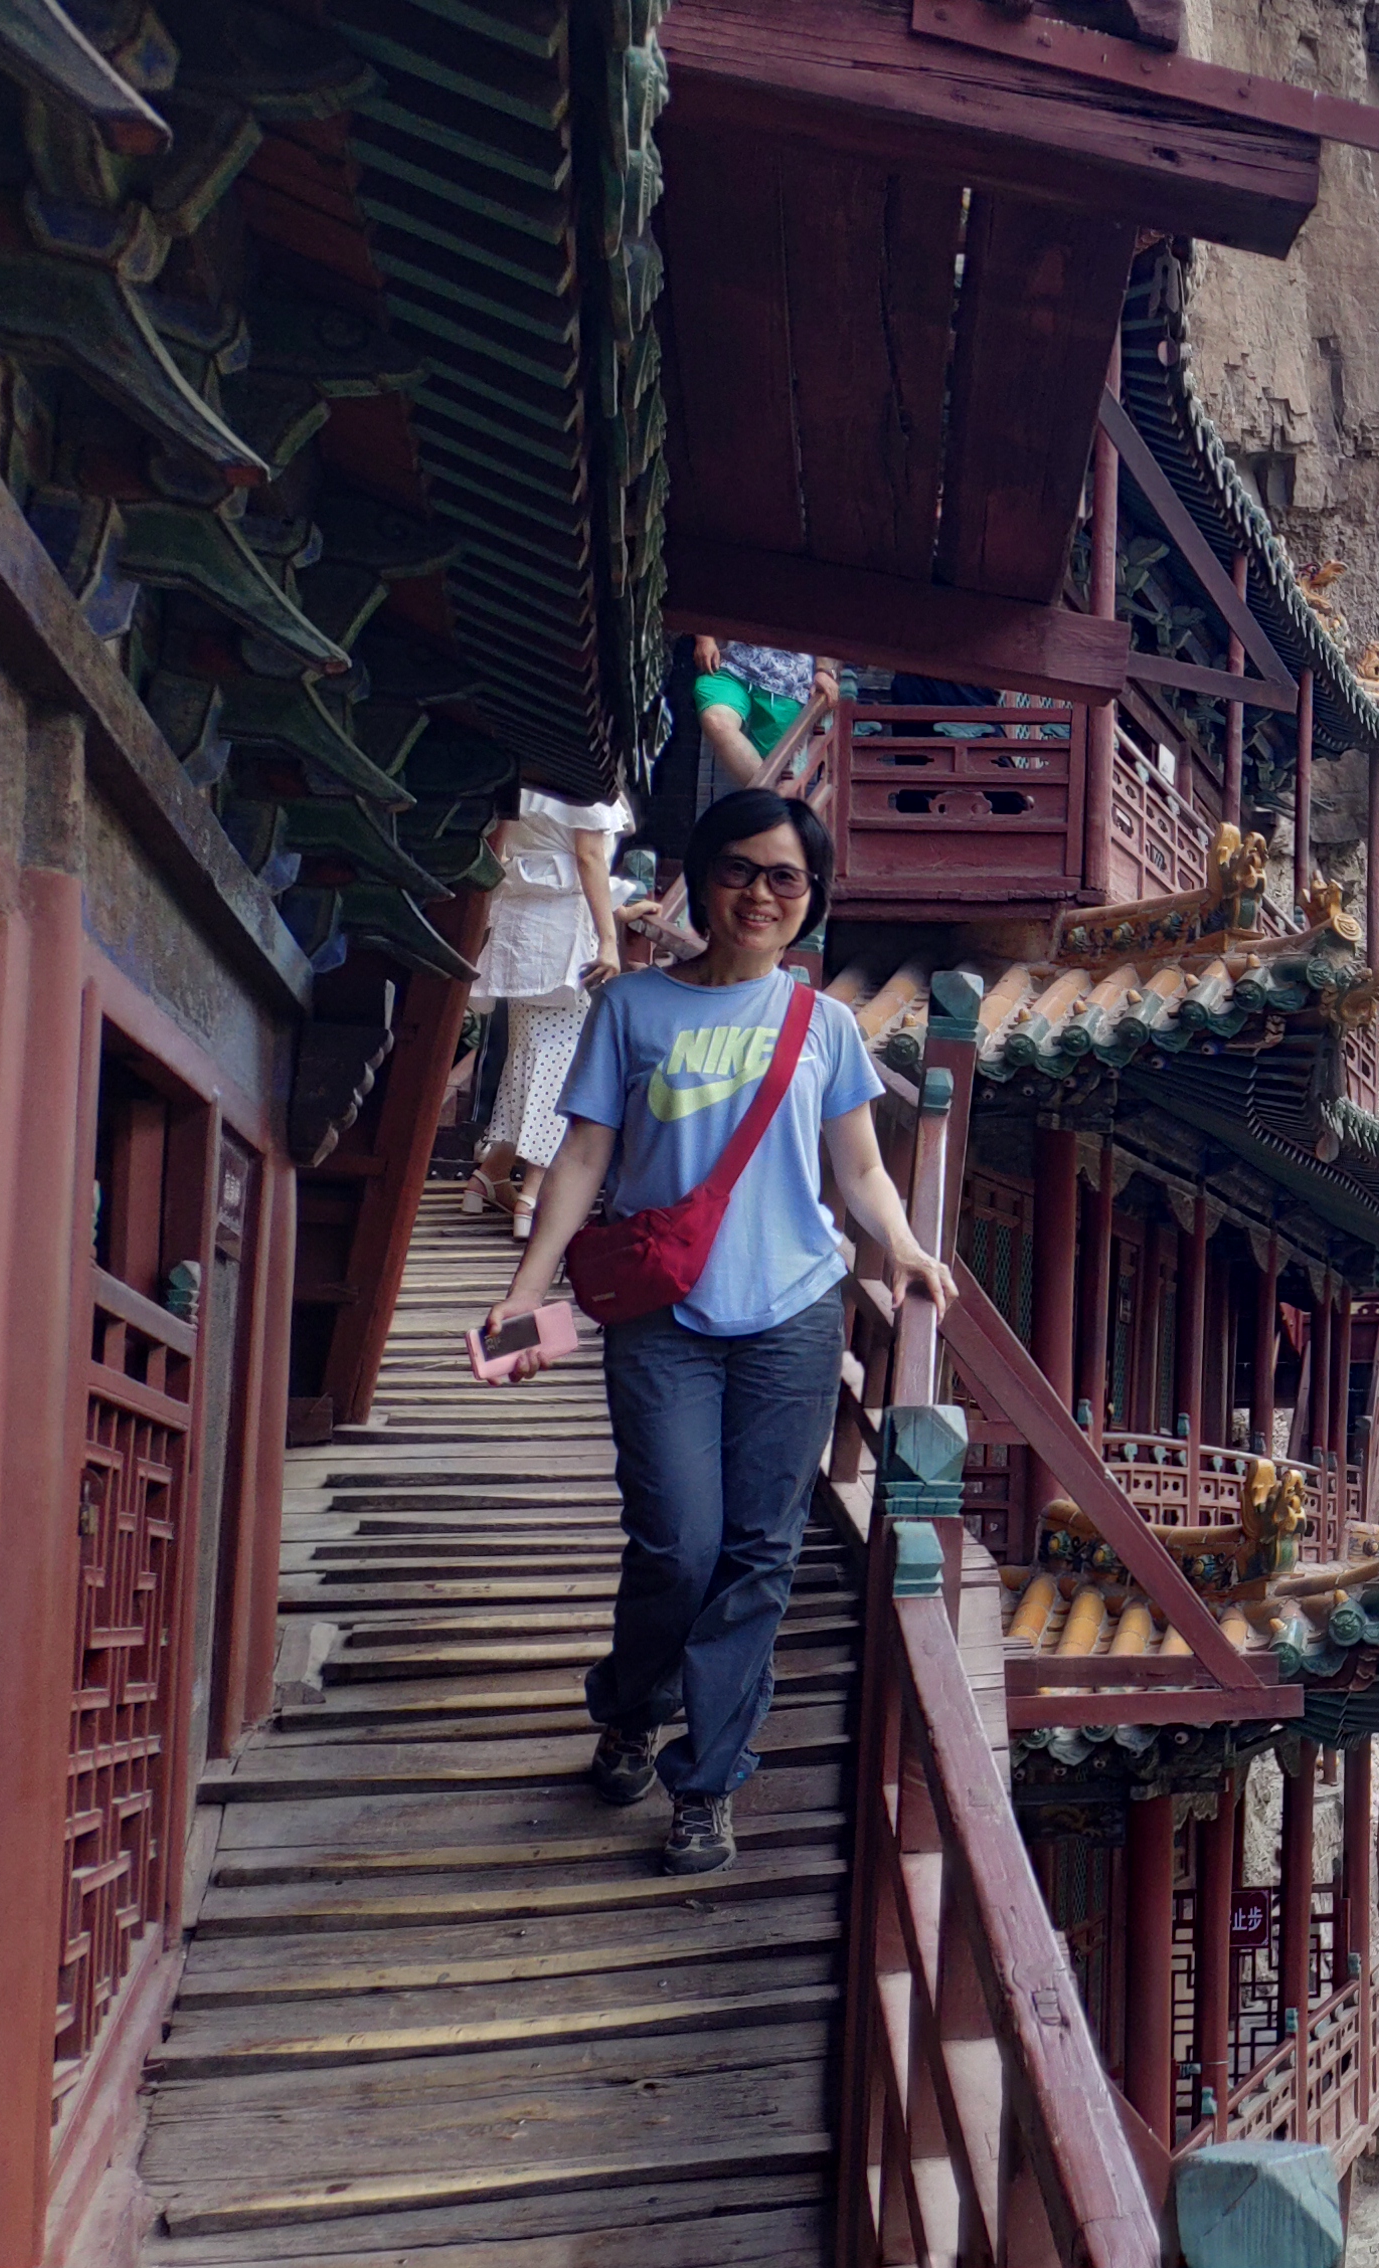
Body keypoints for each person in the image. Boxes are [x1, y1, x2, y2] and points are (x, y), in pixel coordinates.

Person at [480, 788, 956, 1874]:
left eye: (786, 877)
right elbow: (585, 1157)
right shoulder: (631, 1009)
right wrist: (525, 1292)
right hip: (661, 1315)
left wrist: (903, 1245)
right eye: (740, 869)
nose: (760, 893)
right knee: (676, 1542)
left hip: (793, 1311)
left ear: (811, 896)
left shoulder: (823, 1025)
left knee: (757, 1553)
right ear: (701, 877)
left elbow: (859, 1168)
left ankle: (708, 1781)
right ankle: (630, 1705)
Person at [465, 785, 630, 1229]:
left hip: (520, 927)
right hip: (564, 938)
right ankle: (533, 1192)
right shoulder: (583, 778)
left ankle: (490, 1175)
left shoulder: (523, 778)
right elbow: (587, 857)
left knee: (527, 1056)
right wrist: (609, 939)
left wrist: (619, 913)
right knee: (561, 1062)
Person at [690, 637, 835, 788]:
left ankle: (768, 798)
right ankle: (770, 798)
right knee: (716, 720)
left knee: (780, 768)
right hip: (731, 666)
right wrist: (705, 639)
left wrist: (824, 670)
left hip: (789, 684)